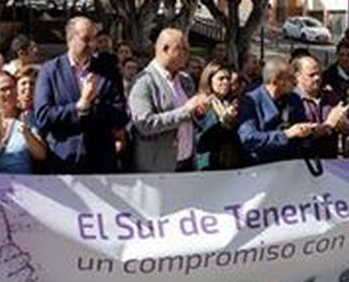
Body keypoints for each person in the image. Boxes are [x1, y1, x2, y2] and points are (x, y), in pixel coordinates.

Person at [33, 16, 127, 174]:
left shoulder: (108, 71)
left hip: (101, 162)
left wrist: (92, 105)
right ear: (70, 39)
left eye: (94, 39)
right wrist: (78, 107)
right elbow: (43, 116)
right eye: (86, 39)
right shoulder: (50, 71)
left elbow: (121, 115)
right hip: (64, 161)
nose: (92, 44)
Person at [127, 29, 208, 173]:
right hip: (159, 169)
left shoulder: (185, 80)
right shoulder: (143, 82)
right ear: (165, 49)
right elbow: (144, 123)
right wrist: (185, 112)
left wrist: (198, 111)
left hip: (187, 163)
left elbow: (191, 117)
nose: (187, 53)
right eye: (182, 48)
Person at [238, 57, 340, 164]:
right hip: (260, 166)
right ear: (276, 80)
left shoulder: (293, 99)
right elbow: (249, 139)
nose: (295, 81)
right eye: (290, 78)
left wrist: (314, 129)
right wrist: (286, 134)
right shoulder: (251, 101)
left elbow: (300, 132)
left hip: (289, 166)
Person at [0, 71, 48, 173]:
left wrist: (27, 133)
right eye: (3, 90)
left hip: (25, 183)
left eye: (11, 88)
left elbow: (41, 155)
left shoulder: (27, 117)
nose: (8, 93)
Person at [293, 55, 349, 158]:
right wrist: (328, 125)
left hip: (330, 161)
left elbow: (348, 128)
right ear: (298, 76)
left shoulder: (331, 98)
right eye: (311, 75)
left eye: (319, 73)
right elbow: (298, 138)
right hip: (302, 162)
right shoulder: (291, 101)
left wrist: (343, 124)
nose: (317, 78)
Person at [195, 63, 244, 170]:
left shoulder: (229, 103)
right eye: (221, 78)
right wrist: (224, 122)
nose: (226, 82)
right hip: (208, 165)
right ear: (209, 80)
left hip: (230, 164)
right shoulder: (203, 104)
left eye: (228, 78)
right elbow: (200, 141)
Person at [321, 40, 349, 106]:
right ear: (337, 55)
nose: (345, 58)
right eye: (342, 55)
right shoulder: (329, 75)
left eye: (348, 55)